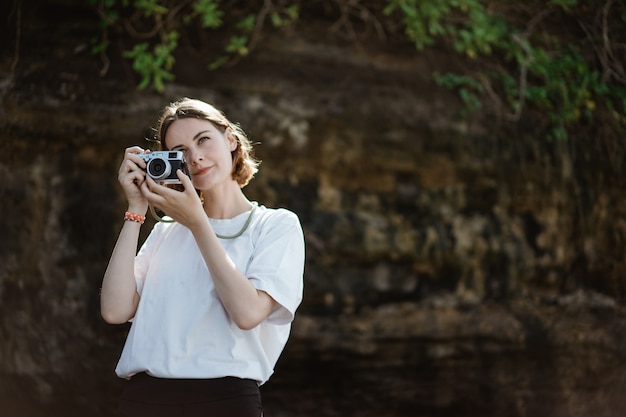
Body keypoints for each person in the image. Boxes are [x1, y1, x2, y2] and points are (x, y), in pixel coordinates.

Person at [100, 97, 305, 417]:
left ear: (231, 139)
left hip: (226, 400)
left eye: (203, 140)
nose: (195, 157)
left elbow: (248, 313)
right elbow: (114, 310)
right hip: (145, 399)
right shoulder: (167, 230)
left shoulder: (275, 225)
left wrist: (198, 223)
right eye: (180, 151)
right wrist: (136, 209)